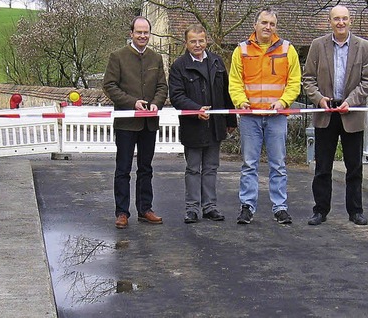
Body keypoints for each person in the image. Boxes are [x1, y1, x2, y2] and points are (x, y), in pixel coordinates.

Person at [302, 5, 368, 226]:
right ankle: (320, 211)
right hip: (325, 112)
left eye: (344, 18)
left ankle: (355, 211)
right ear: (330, 21)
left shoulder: (365, 47)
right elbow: (308, 79)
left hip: (351, 113)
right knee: (322, 166)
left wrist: (350, 102)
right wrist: (319, 99)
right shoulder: (318, 45)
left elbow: (367, 81)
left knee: (354, 166)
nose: (340, 22)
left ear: (350, 21)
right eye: (336, 19)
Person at [229, 7, 301, 225]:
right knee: (249, 164)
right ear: (255, 25)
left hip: (276, 116)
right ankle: (247, 207)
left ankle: (280, 208)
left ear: (275, 27)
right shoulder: (241, 50)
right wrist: (241, 102)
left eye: (272, 23)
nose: (268, 27)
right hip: (250, 116)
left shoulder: (288, 49)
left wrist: (283, 102)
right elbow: (235, 82)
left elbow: (294, 81)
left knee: (278, 164)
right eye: (264, 23)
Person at [103, 16, 168, 229]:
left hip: (149, 123)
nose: (142, 36)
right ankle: (122, 212)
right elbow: (110, 86)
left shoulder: (156, 58)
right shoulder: (118, 56)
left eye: (146, 32)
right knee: (123, 169)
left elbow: (162, 87)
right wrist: (133, 103)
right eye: (139, 32)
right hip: (126, 123)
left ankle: (145, 209)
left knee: (146, 168)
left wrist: (156, 104)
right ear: (131, 33)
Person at [169, 24, 238, 224]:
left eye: (201, 41)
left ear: (206, 40)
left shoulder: (217, 62)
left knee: (211, 168)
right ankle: (192, 209)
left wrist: (230, 119)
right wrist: (196, 109)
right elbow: (176, 96)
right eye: (193, 41)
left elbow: (226, 92)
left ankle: (210, 207)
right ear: (186, 43)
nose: (197, 45)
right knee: (193, 169)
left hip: (215, 125)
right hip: (193, 127)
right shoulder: (178, 66)